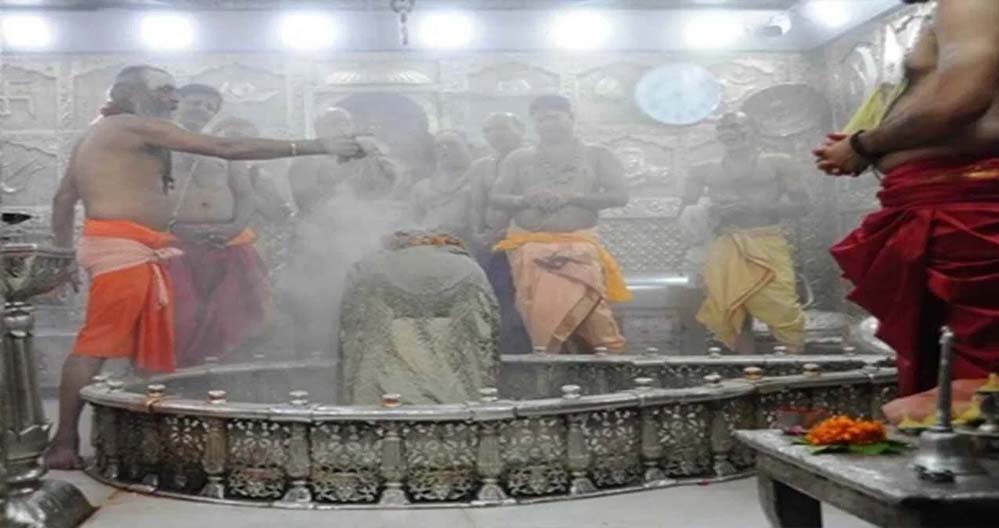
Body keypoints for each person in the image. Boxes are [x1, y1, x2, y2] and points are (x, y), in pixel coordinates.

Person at [47, 64, 362, 469]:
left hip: (137, 245)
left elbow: (63, 198)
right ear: (131, 93)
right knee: (97, 345)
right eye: (164, 90)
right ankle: (63, 444)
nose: (173, 97)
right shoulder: (130, 125)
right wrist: (320, 145)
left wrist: (63, 255)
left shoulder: (98, 133)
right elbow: (228, 147)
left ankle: (151, 435)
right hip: (125, 248)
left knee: (143, 343)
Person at [814, 0, 999, 396]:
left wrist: (864, 144)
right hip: (949, 205)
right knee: (949, 367)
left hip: (968, 209)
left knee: (972, 374)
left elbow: (960, 100)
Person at [490, 94, 631, 354]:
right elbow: (496, 197)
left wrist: (572, 197)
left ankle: (605, 365)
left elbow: (620, 196)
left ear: (571, 118)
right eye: (541, 119)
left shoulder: (597, 154)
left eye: (554, 117)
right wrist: (526, 199)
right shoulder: (518, 158)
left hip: (579, 247)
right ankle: (548, 364)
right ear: (534, 124)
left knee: (592, 318)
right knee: (542, 316)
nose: (548, 123)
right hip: (530, 249)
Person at [681, 112, 810, 354]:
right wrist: (711, 210)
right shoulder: (702, 170)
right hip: (726, 244)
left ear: (754, 130)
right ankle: (745, 364)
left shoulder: (780, 163)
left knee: (782, 305)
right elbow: (686, 210)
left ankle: (794, 361)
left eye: (736, 126)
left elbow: (803, 205)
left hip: (766, 241)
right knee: (733, 305)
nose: (729, 132)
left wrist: (757, 207)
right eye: (723, 128)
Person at [166, 89, 273, 366]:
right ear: (177, 103)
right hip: (173, 240)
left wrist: (234, 228)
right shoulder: (156, 144)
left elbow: (245, 195)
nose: (202, 109)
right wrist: (175, 226)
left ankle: (221, 377)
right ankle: (174, 378)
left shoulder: (223, 148)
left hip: (226, 240)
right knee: (179, 313)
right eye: (195, 102)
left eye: (209, 106)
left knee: (232, 314)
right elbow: (144, 193)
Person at [284, 107, 401, 356]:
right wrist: (346, 171)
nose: (342, 128)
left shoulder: (364, 157)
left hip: (358, 237)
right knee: (315, 306)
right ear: (319, 129)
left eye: (346, 122)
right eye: (334, 122)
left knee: (359, 302)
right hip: (317, 241)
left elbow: (382, 192)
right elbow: (306, 202)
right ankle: (311, 360)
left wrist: (378, 161)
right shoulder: (306, 160)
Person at [339, 231, 498, 405]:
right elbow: (485, 335)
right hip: (456, 396)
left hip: (383, 394)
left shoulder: (370, 269)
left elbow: (352, 333)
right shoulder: (469, 270)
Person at [467, 113, 532, 354]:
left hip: (527, 239)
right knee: (494, 295)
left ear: (521, 130)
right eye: (490, 130)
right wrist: (478, 234)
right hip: (490, 242)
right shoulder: (481, 165)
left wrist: (509, 230)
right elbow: (476, 205)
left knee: (522, 297)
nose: (496, 134)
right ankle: (497, 350)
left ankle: (527, 349)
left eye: (502, 128)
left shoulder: (535, 159)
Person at [411, 130, 475, 239]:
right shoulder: (422, 187)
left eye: (452, 144)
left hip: (469, 244)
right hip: (429, 242)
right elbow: (415, 220)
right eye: (438, 146)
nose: (444, 149)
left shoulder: (481, 179)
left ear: (468, 147)